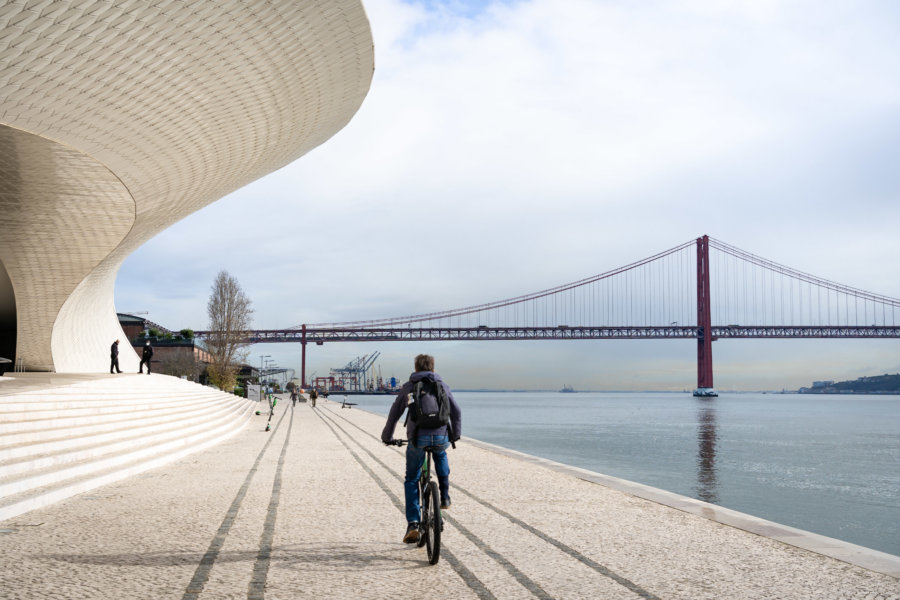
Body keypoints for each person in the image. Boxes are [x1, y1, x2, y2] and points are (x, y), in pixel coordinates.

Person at [381, 354, 461, 544]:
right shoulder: (442, 385)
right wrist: (455, 434)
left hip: (417, 438)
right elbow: (456, 411)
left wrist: (387, 437)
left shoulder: (409, 387)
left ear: (415, 368)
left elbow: (395, 413)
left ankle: (414, 523)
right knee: (441, 453)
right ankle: (445, 496)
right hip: (441, 436)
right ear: (433, 368)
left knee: (411, 479)